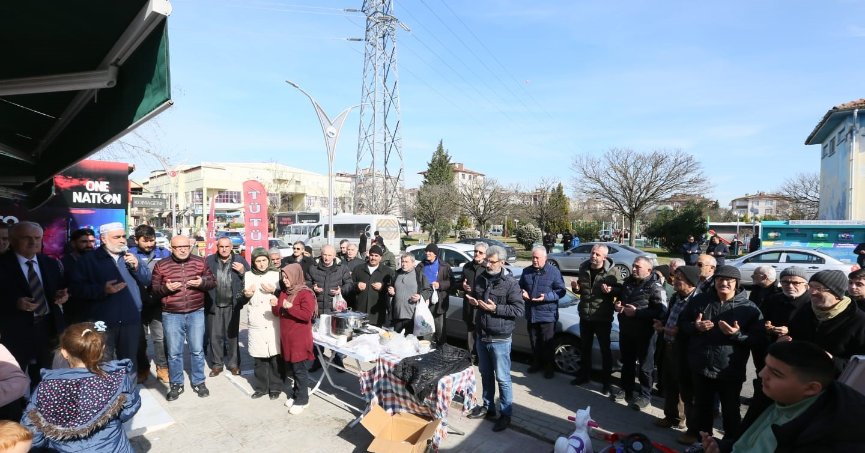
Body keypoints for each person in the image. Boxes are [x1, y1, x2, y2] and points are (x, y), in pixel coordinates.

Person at [700, 340, 865, 453]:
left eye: (776, 373)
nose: (761, 374)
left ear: (811, 388)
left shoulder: (827, 439)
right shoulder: (772, 395)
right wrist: (723, 448)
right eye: (766, 366)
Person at [21, 322, 141, 452]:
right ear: (101, 349)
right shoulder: (116, 379)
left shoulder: (45, 388)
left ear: (64, 353)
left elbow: (32, 430)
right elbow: (129, 410)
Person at [678, 265, 764, 441]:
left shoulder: (749, 308)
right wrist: (696, 326)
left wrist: (736, 335)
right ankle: (702, 439)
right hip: (701, 366)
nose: (724, 283)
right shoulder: (700, 301)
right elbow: (682, 325)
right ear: (714, 281)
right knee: (702, 406)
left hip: (729, 369)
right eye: (719, 280)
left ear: (737, 283)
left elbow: (758, 340)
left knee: (730, 409)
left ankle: (731, 442)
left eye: (729, 281)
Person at [70, 222, 148, 369]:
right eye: (117, 237)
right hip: (102, 321)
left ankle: (128, 391)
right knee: (103, 361)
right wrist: (102, 290)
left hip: (130, 319)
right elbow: (76, 289)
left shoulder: (132, 257)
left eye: (124, 236)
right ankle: (108, 392)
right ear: (104, 239)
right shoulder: (89, 260)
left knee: (130, 362)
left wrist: (137, 267)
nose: (122, 240)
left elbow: (147, 279)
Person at [0, 222, 68, 388]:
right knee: (12, 378)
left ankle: (39, 409)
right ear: (13, 240)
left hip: (47, 328)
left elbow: (58, 289)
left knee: (44, 377)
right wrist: (15, 303)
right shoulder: (2, 263)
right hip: (13, 331)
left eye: (37, 238)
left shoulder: (51, 263)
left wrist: (62, 296)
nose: (33, 242)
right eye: (26, 238)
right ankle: (13, 412)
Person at [465, 246, 524, 433]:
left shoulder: (510, 283)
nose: (487, 264)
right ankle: (488, 407)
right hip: (482, 335)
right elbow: (479, 297)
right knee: (485, 374)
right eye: (487, 261)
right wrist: (474, 300)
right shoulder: (482, 278)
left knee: (503, 378)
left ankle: (505, 414)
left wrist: (495, 309)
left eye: (492, 262)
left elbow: (518, 310)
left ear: (502, 262)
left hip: (500, 338)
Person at [151, 235, 217, 401]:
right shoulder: (161, 265)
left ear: (190, 246)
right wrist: (166, 289)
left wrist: (201, 282)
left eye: (186, 247)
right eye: (178, 247)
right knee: (174, 352)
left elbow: (212, 282)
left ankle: (199, 381)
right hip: (171, 314)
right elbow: (153, 290)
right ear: (171, 248)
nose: (182, 250)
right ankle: (176, 383)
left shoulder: (200, 261)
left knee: (197, 350)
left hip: (196, 312)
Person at [609, 257, 667, 410]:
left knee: (645, 367)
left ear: (649, 270)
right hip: (626, 331)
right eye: (633, 266)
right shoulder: (628, 282)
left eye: (637, 267)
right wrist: (618, 305)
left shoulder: (655, 287)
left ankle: (645, 396)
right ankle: (626, 390)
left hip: (645, 334)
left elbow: (662, 311)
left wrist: (637, 313)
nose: (633, 269)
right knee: (626, 363)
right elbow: (621, 299)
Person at [784, 269, 865, 374]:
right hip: (801, 379)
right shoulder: (805, 310)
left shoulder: (859, 321)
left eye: (818, 288)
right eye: (811, 287)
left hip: (836, 385)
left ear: (836, 293)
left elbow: (860, 366)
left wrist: (832, 360)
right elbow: (796, 339)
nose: (812, 292)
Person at [652, 266, 699, 440]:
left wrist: (678, 332)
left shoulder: (698, 300)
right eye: (675, 277)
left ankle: (690, 428)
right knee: (669, 383)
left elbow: (697, 327)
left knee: (686, 390)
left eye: (679, 278)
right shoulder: (675, 297)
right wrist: (661, 324)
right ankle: (670, 416)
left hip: (686, 349)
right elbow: (669, 317)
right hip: (669, 346)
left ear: (691, 281)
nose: (674, 281)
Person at [570, 244, 620, 391]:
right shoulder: (583, 268)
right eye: (593, 253)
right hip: (585, 316)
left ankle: (606, 382)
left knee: (605, 350)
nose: (594, 256)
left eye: (598, 254)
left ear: (604, 257)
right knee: (585, 348)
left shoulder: (612, 271)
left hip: (602, 318)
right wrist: (576, 288)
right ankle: (584, 376)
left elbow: (622, 290)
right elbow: (581, 289)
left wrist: (611, 291)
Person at [129, 224, 171, 384]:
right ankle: (143, 368)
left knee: (160, 338)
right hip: (136, 303)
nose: (149, 244)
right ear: (136, 240)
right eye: (145, 241)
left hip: (157, 302)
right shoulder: (129, 254)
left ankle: (162, 368)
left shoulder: (164, 253)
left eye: (151, 240)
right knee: (139, 339)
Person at [273, 263, 316, 415]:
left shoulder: (305, 293)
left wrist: (290, 308)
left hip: (299, 340)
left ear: (295, 276)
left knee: (300, 371)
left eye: (287, 277)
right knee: (293, 369)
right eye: (283, 277)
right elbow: (279, 311)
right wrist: (275, 306)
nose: (285, 280)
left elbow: (306, 315)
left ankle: (303, 400)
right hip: (287, 339)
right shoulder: (286, 292)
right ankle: (297, 393)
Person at [204, 237, 249, 377]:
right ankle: (217, 364)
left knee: (232, 337)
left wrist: (243, 272)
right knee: (214, 336)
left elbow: (251, 280)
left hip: (232, 305)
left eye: (227, 246)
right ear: (217, 247)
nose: (224, 249)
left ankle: (234, 364)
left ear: (231, 247)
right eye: (221, 246)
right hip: (214, 304)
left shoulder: (240, 261)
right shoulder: (209, 260)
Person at [519, 246, 566, 379]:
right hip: (531, 313)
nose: (534, 260)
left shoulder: (554, 272)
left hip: (547, 315)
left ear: (545, 258)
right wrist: (522, 292)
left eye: (537, 258)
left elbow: (561, 291)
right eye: (532, 257)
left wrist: (546, 297)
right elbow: (519, 287)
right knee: (534, 342)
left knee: (547, 344)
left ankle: (549, 368)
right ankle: (536, 364)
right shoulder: (526, 271)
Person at [242, 248, 282, 400]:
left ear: (269, 260)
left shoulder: (276, 274)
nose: (261, 264)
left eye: (264, 260)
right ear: (253, 262)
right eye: (258, 261)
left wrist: (275, 291)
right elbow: (242, 298)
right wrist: (246, 295)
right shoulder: (248, 275)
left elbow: (285, 294)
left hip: (273, 320)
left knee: (274, 356)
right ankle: (261, 388)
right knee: (259, 358)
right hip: (257, 320)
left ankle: (276, 387)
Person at [351, 245, 394, 327]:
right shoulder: (358, 269)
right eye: (371, 255)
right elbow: (349, 285)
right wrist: (357, 285)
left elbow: (392, 290)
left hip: (377, 314)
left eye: (376, 256)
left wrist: (383, 287)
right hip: (360, 311)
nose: (373, 258)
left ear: (381, 258)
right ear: (368, 255)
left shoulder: (388, 272)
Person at [388, 253, 432, 334]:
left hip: (413, 317)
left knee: (411, 342)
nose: (404, 264)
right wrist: (391, 291)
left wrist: (420, 296)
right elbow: (391, 289)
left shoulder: (419, 275)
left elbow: (428, 290)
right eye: (402, 261)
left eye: (406, 262)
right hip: (397, 316)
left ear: (413, 263)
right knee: (396, 342)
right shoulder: (396, 274)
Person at [59, 228, 96, 325]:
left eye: (92, 241)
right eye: (84, 241)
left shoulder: (100, 261)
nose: (89, 245)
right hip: (75, 314)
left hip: (97, 311)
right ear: (73, 244)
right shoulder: (63, 263)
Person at [305, 244, 353, 317]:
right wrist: (313, 288)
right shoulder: (312, 268)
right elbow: (306, 284)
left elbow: (349, 284)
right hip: (317, 309)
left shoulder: (342, 268)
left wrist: (341, 290)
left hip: (335, 309)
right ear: (321, 254)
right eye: (325, 255)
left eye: (329, 255)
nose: (326, 258)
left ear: (334, 256)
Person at [420, 243, 452, 344]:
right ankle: (425, 353)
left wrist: (440, 285)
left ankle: (440, 353)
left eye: (430, 251)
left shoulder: (444, 266)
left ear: (435, 254)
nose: (427, 253)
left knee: (440, 331)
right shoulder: (421, 266)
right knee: (425, 331)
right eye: (426, 251)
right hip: (424, 302)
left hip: (439, 303)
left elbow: (452, 282)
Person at [461, 242, 488, 363]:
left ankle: (481, 357)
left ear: (485, 255)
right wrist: (463, 286)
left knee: (482, 333)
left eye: (480, 252)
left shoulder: (488, 268)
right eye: (475, 251)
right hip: (469, 306)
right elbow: (459, 283)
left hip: (482, 306)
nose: (477, 254)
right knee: (470, 332)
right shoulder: (467, 267)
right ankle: (471, 356)